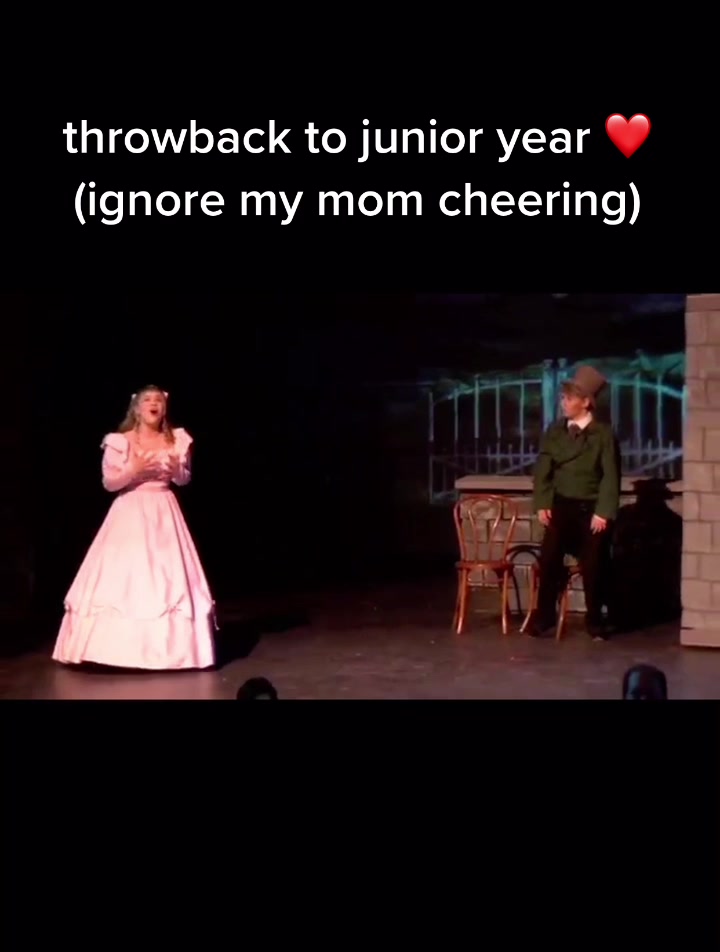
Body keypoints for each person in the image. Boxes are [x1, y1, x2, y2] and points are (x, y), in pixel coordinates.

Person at [52, 385, 217, 670]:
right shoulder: (120, 442)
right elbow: (109, 483)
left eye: (158, 400)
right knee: (127, 576)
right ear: (137, 409)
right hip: (129, 511)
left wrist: (176, 468)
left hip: (164, 511)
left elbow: (184, 480)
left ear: (164, 408)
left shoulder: (177, 440)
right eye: (147, 400)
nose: (153, 404)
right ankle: (114, 652)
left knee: (167, 578)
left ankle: (172, 653)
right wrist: (133, 470)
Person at [529, 366, 620, 641]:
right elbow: (543, 470)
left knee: (594, 564)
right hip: (561, 506)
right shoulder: (555, 431)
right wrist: (542, 503)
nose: (563, 403)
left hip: (590, 509)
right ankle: (545, 616)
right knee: (548, 558)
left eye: (569, 398)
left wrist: (603, 512)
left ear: (586, 402)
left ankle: (595, 620)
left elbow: (610, 476)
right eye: (562, 398)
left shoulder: (602, 434)